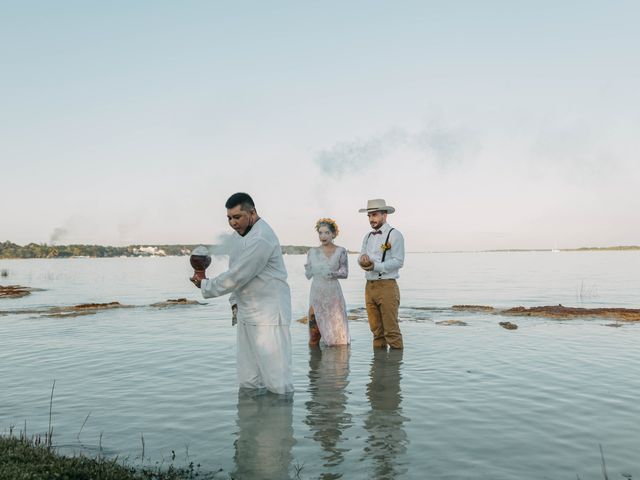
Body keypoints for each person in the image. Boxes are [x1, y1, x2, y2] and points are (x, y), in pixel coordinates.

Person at [190, 192, 294, 395]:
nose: (232, 223)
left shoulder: (262, 237)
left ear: (252, 212)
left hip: (269, 315)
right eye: (229, 218)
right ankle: (248, 426)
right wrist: (233, 302)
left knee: (277, 381)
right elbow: (233, 268)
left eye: (237, 217)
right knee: (248, 380)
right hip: (247, 312)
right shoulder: (237, 237)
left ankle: (279, 424)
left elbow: (238, 275)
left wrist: (205, 285)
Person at [358, 199, 405, 349]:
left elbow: (398, 261)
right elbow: (361, 256)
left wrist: (375, 266)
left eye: (374, 215)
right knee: (376, 332)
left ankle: (394, 370)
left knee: (391, 331)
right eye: (369, 216)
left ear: (384, 215)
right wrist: (362, 261)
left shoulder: (395, 235)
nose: (371, 219)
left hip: (387, 286)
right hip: (369, 287)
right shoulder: (367, 237)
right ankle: (378, 370)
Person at [304, 218, 351, 346]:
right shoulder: (312, 252)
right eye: (320, 233)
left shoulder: (341, 251)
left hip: (333, 295)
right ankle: (313, 364)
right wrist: (308, 270)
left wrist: (331, 274)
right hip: (317, 294)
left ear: (333, 234)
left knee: (336, 337)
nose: (323, 236)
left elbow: (345, 273)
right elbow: (308, 275)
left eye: (326, 233)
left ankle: (337, 364)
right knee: (314, 335)